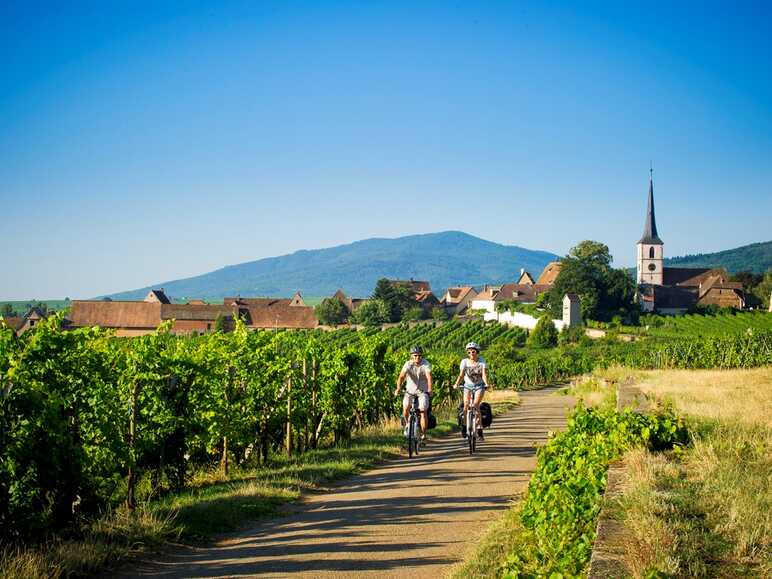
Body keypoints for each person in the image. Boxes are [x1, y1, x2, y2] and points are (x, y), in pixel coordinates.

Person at [394, 346, 433, 443]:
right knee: (406, 407)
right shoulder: (408, 364)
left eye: (419, 356)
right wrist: (398, 388)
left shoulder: (426, 364)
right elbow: (401, 377)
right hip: (409, 391)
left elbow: (429, 377)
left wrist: (430, 389)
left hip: (422, 391)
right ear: (411, 356)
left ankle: (423, 434)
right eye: (415, 356)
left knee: (423, 410)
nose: (417, 358)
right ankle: (407, 425)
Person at [453, 341, 491, 440]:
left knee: (475, 404)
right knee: (466, 404)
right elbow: (461, 375)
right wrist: (456, 384)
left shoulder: (482, 361)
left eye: (473, 351)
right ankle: (465, 426)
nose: (471, 354)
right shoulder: (464, 362)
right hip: (468, 386)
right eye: (469, 352)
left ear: (477, 352)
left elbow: (484, 374)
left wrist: (486, 383)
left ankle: (479, 429)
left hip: (479, 386)